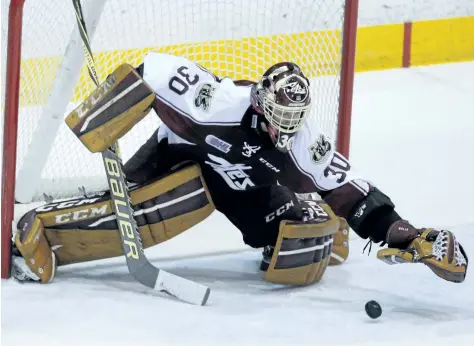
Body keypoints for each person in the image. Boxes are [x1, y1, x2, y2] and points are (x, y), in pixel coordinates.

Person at [11, 52, 468, 286]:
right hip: (181, 153)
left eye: (294, 120)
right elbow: (152, 68)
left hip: (242, 179)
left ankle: (320, 225)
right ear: (259, 101)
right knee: (163, 206)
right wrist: (112, 101)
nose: (285, 129)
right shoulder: (218, 105)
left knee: (293, 258)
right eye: (279, 116)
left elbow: (352, 193)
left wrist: (410, 235)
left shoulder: (305, 144)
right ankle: (47, 234)